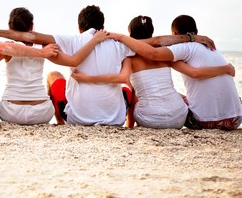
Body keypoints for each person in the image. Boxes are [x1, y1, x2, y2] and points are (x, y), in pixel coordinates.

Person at [0, 7, 112, 124]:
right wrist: (95, 40)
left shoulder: (5, 49)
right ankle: (60, 121)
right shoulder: (46, 48)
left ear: (10, 27)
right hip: (41, 113)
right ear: (32, 26)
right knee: (53, 75)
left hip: (10, 113)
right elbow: (73, 61)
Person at [72, 15, 235, 129]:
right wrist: (225, 68)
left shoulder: (128, 56)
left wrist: (87, 77)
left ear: (130, 34)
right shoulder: (166, 54)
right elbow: (193, 72)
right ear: (151, 32)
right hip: (178, 118)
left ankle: (130, 126)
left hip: (149, 119)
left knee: (133, 92)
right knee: (178, 95)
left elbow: (123, 78)